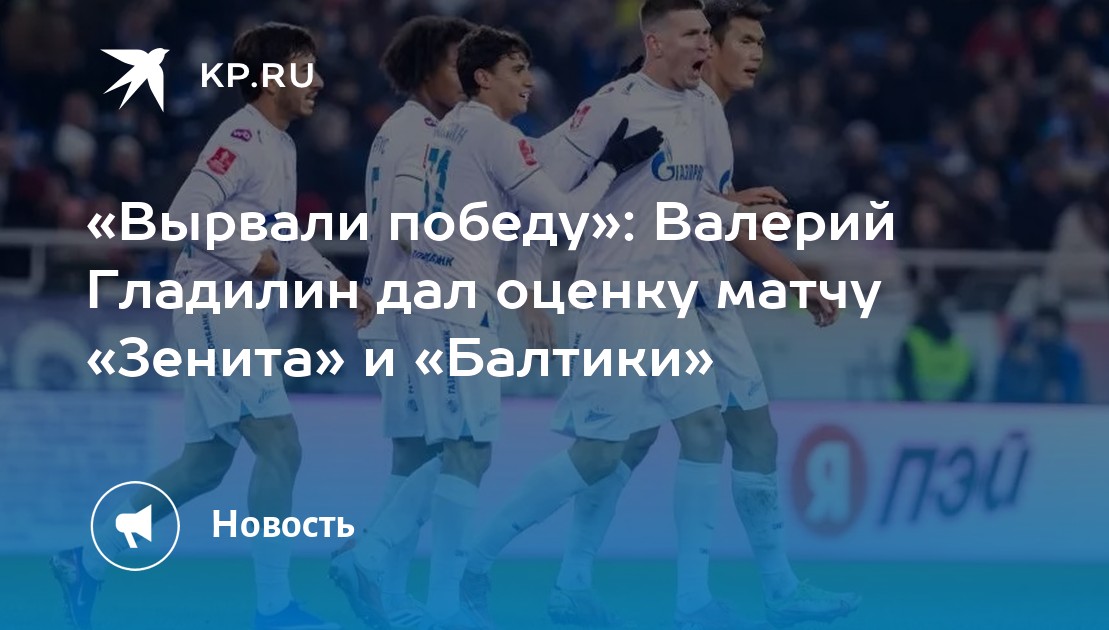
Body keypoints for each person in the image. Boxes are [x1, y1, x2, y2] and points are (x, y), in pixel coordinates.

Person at [498, 2, 860, 627]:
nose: (755, 55)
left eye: (761, 43)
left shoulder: (699, 109)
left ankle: (589, 584)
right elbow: (694, 211)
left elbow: (705, 203)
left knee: (663, 440)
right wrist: (795, 278)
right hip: (676, 297)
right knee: (655, 442)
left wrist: (733, 206)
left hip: (687, 295)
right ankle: (740, 593)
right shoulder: (670, 105)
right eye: (742, 40)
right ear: (705, 47)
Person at [335, 25, 663, 629]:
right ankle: (412, 584)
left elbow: (525, 200)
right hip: (451, 305)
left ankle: (380, 560)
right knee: (466, 448)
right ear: (483, 78)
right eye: (517, 70)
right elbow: (563, 215)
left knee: (457, 449)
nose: (529, 81)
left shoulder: (448, 129)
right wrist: (612, 164)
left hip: (427, 302)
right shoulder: (494, 134)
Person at [51, 22, 373, 630]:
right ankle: (274, 608)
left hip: (228, 310)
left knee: (203, 467)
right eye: (306, 68)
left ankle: (85, 560)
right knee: (282, 446)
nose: (319, 82)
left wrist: (335, 281)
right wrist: (249, 257)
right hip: (212, 307)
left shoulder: (281, 145)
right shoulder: (242, 136)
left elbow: (283, 236)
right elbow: (183, 214)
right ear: (272, 77)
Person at [326, 15, 475, 629]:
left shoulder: (403, 128)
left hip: (392, 306)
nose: (466, 75)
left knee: (414, 455)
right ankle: (368, 558)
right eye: (454, 64)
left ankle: (385, 592)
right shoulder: (422, 134)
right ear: (422, 71)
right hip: (414, 310)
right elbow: (411, 227)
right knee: (462, 447)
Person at [895, 291, 977, 402]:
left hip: (913, 409)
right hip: (951, 409)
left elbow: (903, 378)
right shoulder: (959, 343)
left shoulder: (912, 340)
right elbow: (971, 384)